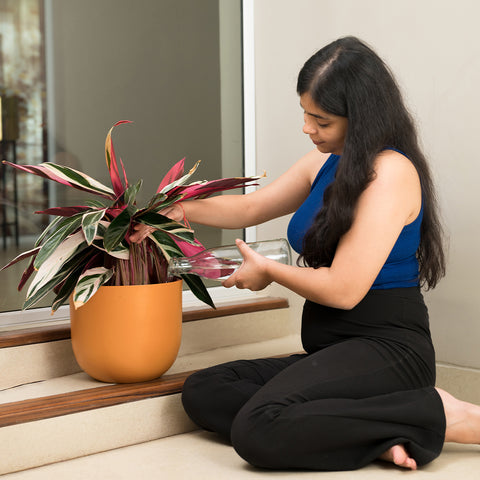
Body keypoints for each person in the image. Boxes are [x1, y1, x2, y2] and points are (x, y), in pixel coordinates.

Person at [131, 36, 480, 471]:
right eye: (305, 114)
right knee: (207, 390)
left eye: (321, 119)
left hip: (387, 351)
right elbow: (251, 206)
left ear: (362, 118)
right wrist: (180, 208)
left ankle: (440, 415)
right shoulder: (326, 163)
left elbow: (343, 290)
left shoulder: (391, 173)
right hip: (331, 352)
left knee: (257, 429)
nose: (307, 128)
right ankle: (383, 427)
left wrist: (270, 272)